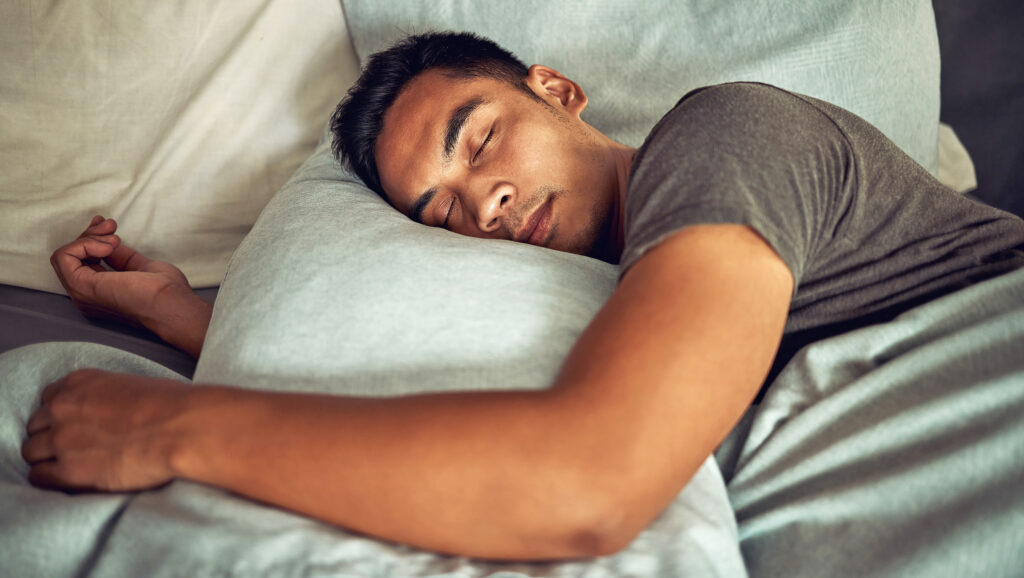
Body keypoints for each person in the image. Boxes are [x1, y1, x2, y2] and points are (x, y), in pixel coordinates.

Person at [21, 32, 1024, 561]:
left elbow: (588, 483)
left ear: (557, 90)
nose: (484, 202)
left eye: (481, 138)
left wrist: (177, 426)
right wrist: (191, 320)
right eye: (442, 209)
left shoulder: (720, 138)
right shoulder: (613, 281)